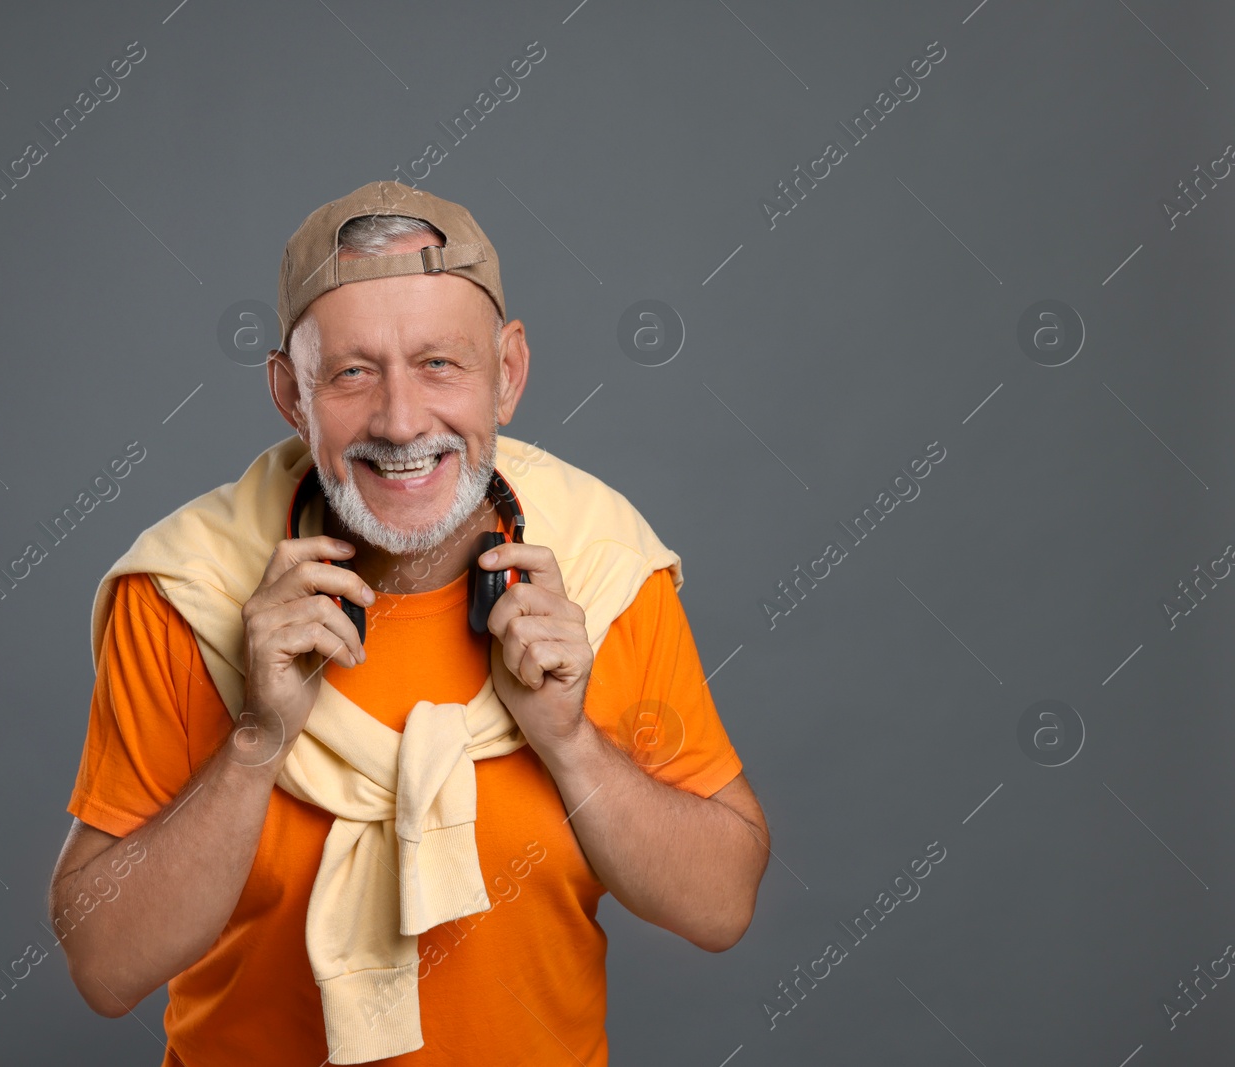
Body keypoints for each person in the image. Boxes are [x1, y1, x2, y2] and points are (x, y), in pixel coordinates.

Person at [47, 180, 770, 1065]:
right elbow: (105, 965)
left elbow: (722, 904)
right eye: (352, 372)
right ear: (289, 393)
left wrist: (570, 740)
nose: (399, 420)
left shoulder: (601, 569)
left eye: (439, 363)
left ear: (507, 372)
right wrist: (256, 740)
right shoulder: (183, 592)